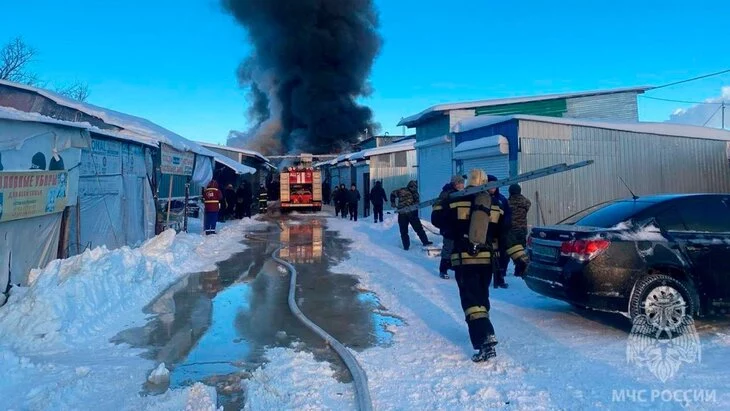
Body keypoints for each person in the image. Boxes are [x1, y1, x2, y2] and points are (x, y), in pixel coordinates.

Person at [446, 169, 529, 363]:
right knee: (481, 298)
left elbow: (439, 222)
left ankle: (485, 338)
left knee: (471, 302)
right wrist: (519, 258)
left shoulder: (455, 201)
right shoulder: (496, 206)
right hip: (486, 261)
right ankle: (481, 327)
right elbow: (506, 235)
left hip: (464, 260)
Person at [431, 175, 465, 279]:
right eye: (459, 183)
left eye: (462, 183)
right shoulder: (447, 194)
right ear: (455, 184)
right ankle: (443, 270)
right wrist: (445, 225)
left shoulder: (458, 194)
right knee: (448, 248)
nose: (461, 185)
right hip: (449, 227)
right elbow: (443, 213)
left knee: (457, 248)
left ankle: (452, 266)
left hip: (457, 226)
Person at [390, 180, 433, 250]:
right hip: (404, 213)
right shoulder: (403, 191)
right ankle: (407, 246)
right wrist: (393, 203)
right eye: (413, 187)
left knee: (415, 229)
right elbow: (392, 193)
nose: (414, 188)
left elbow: (417, 204)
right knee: (406, 230)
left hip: (409, 213)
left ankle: (423, 242)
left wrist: (393, 202)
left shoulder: (413, 193)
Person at [490, 176, 512, 289]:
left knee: (499, 256)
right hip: (486, 233)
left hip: (499, 233)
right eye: (490, 184)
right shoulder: (482, 198)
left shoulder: (502, 199)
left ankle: (499, 278)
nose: (492, 187)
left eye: (495, 185)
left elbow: (508, 215)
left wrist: (505, 226)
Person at [508, 184, 532, 249]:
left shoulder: (507, 202)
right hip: (522, 230)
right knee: (522, 249)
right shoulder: (526, 202)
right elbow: (527, 207)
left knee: (512, 249)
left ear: (510, 192)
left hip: (511, 230)